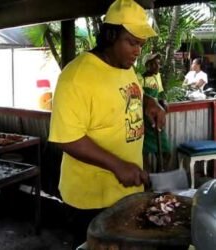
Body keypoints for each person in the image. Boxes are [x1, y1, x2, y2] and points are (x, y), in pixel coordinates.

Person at [48, 0, 166, 248]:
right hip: (89, 200)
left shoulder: (125, 66)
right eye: (132, 43)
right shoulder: (77, 76)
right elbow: (66, 138)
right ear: (110, 35)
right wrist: (117, 165)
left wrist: (150, 102)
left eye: (141, 45)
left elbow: (133, 93)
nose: (137, 52)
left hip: (126, 193)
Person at [138, 53, 171, 173]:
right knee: (144, 154)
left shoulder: (158, 77)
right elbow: (138, 97)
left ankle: (159, 178)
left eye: (159, 63)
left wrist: (163, 101)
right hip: (146, 120)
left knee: (166, 152)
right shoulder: (140, 78)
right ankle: (149, 182)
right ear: (148, 65)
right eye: (156, 63)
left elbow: (160, 94)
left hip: (157, 117)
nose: (158, 66)